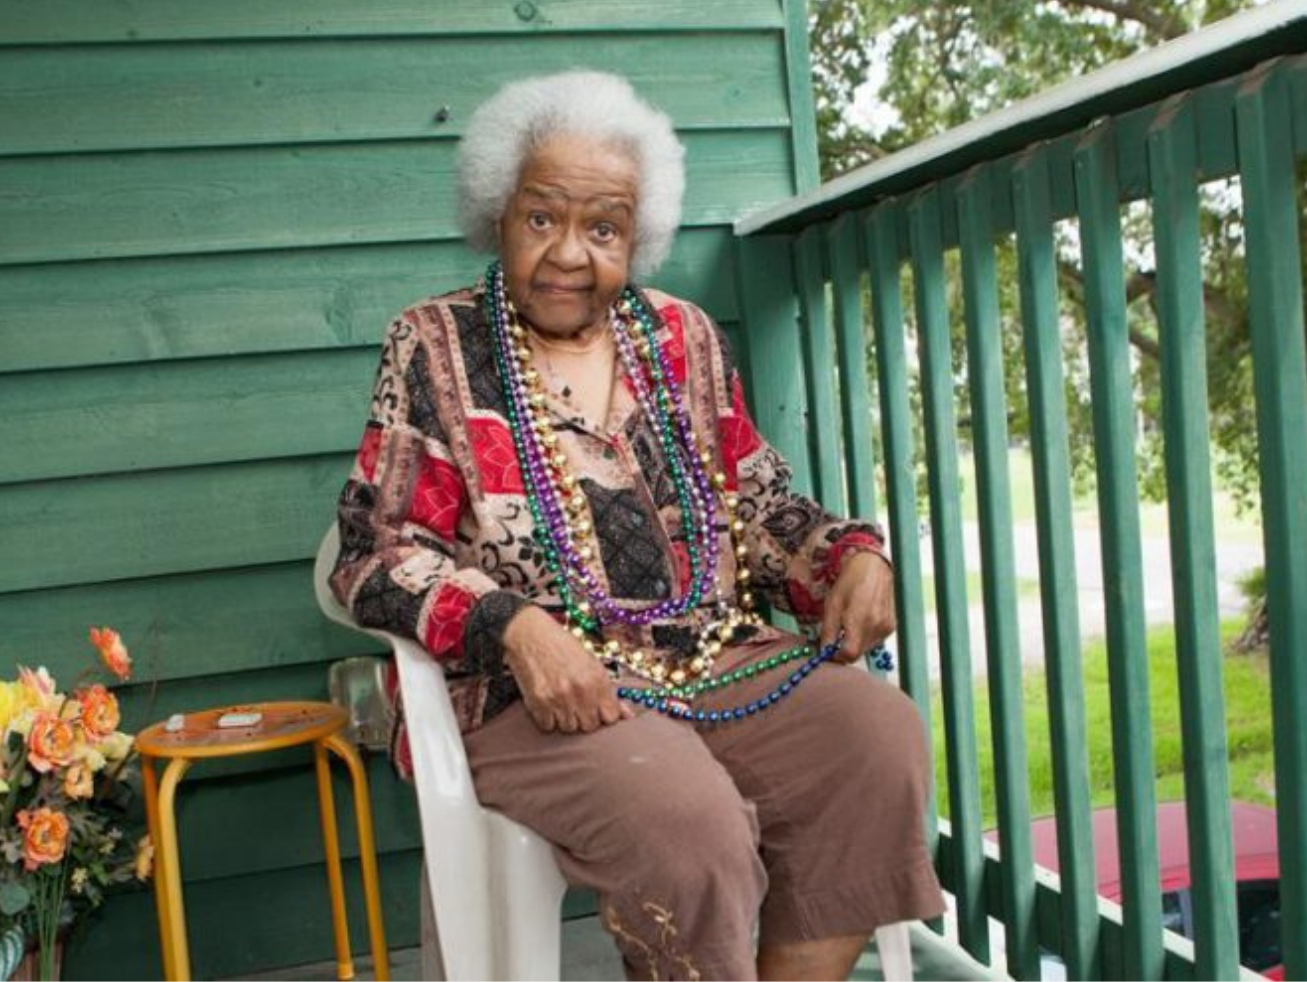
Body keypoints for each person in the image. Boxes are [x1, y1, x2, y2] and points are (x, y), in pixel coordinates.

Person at [331, 70, 944, 981]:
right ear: (497, 212)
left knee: (875, 738)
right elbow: (374, 552)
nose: (570, 254)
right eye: (543, 219)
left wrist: (852, 557)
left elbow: (760, 505)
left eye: (603, 228)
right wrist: (517, 629)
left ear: (638, 236)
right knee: (686, 820)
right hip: (529, 693)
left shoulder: (682, 339)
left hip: (709, 658)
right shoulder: (433, 346)